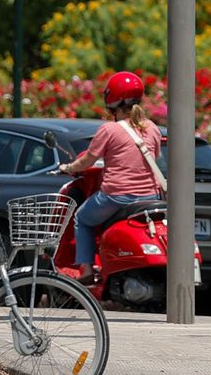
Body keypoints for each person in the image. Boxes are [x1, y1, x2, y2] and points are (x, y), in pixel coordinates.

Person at [58, 71, 163, 285]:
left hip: (117, 196)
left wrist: (68, 167)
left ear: (111, 100)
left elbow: (87, 161)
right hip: (150, 196)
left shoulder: (109, 129)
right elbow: (155, 156)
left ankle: (86, 269)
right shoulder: (152, 128)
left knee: (82, 218)